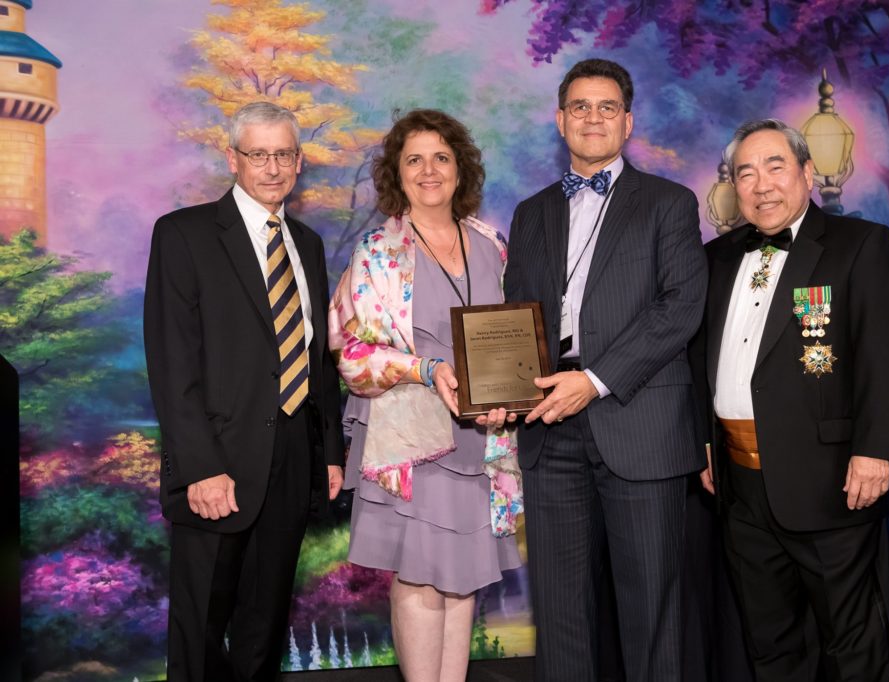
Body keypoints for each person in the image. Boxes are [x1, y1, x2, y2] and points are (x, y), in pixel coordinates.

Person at [503, 58, 708, 681]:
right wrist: (503, 389)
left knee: (652, 609)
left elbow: (681, 309)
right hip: (548, 428)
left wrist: (592, 381)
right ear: (560, 120)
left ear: (628, 122)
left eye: (607, 107)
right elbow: (518, 319)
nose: (593, 117)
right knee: (562, 611)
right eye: (581, 107)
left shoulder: (670, 203)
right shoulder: (531, 211)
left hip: (637, 421)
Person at [694, 118, 889, 681]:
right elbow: (701, 363)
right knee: (769, 641)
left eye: (776, 166)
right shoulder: (717, 258)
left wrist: (876, 451)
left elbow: (886, 355)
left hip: (830, 480)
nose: (761, 184)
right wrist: (704, 443)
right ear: (733, 185)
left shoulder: (859, 244)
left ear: (807, 172)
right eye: (746, 172)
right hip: (739, 486)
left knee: (849, 642)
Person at [143, 101, 344, 680]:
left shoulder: (305, 243)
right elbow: (172, 363)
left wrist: (328, 451)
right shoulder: (184, 234)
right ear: (233, 158)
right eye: (258, 154)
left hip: (289, 463)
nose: (273, 167)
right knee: (200, 629)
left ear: (300, 161)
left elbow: (316, 354)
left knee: (264, 627)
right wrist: (199, 467)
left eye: (284, 153)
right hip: (217, 465)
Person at [329, 109, 523, 682]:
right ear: (397, 173)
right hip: (411, 438)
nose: (429, 170)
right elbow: (351, 354)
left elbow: (512, 335)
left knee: (464, 574)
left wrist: (513, 390)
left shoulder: (493, 244)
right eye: (414, 159)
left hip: (479, 437)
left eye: (441, 156)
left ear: (461, 168)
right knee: (418, 576)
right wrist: (425, 367)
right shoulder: (377, 252)